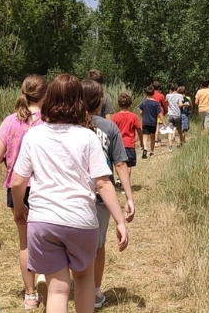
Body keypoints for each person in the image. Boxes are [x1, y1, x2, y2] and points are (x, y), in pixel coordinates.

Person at [10, 74, 129, 313]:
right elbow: (103, 183)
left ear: (49, 100)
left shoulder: (33, 135)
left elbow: (18, 180)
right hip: (81, 221)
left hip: (43, 221)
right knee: (84, 279)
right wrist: (120, 220)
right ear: (80, 103)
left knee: (57, 289)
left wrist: (20, 207)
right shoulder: (87, 136)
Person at [0, 75, 46, 310]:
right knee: (47, 237)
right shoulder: (49, 120)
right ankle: (49, 280)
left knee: (25, 242)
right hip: (44, 185)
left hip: (18, 187)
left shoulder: (11, 121)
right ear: (45, 95)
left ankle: (30, 295)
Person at [80, 80, 136, 309]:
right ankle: (94, 290)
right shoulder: (109, 128)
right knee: (98, 246)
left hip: (77, 194)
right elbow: (120, 164)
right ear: (101, 100)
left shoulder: (71, 125)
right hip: (102, 196)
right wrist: (129, 197)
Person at [111, 93, 142, 175]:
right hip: (129, 145)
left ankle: (120, 179)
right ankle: (126, 182)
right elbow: (139, 129)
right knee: (128, 165)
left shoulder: (115, 117)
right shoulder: (133, 116)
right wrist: (142, 141)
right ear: (130, 103)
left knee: (119, 164)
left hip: (118, 145)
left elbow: (112, 131)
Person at [138, 86, 162, 158]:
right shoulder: (156, 103)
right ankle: (152, 151)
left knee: (145, 135)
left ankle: (145, 147)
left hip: (145, 122)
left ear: (146, 94)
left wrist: (143, 116)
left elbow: (140, 112)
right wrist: (163, 122)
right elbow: (159, 113)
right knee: (152, 137)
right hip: (153, 122)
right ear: (153, 93)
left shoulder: (144, 102)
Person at [165, 85, 186, 151]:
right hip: (177, 115)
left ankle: (170, 147)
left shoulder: (167, 95)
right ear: (177, 89)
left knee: (169, 131)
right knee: (179, 130)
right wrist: (185, 104)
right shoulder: (179, 96)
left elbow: (166, 104)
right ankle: (181, 143)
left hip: (170, 115)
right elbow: (180, 105)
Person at [151, 81, 167, 146]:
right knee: (157, 126)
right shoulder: (161, 95)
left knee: (153, 126)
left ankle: (154, 139)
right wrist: (165, 111)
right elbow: (164, 105)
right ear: (159, 87)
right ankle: (156, 141)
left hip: (151, 112)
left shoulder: (150, 95)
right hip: (159, 112)